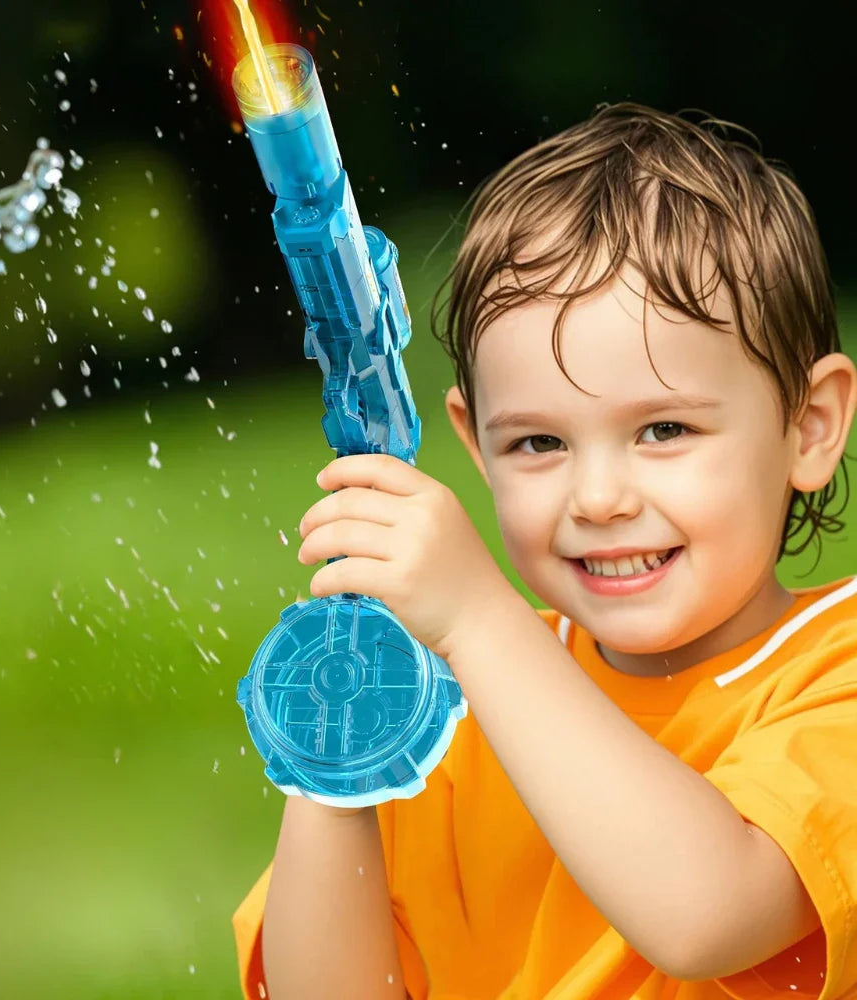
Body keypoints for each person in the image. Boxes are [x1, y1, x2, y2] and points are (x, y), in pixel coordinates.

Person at [231, 102, 857, 999]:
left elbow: (706, 914)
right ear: (475, 446)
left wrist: (482, 621)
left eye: (665, 428)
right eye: (538, 444)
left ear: (810, 426)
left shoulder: (838, 681)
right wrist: (339, 743)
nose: (599, 499)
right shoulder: (454, 710)